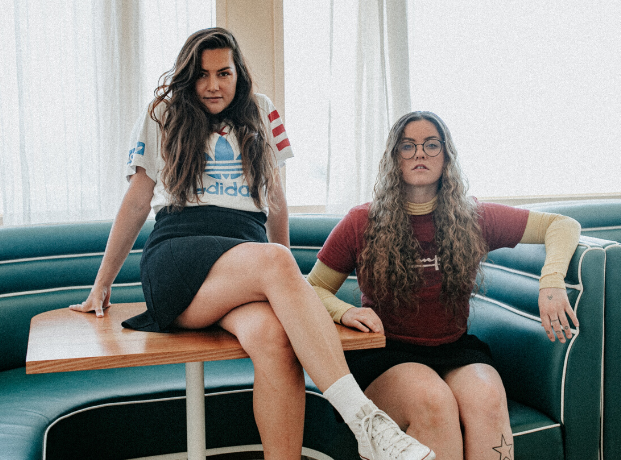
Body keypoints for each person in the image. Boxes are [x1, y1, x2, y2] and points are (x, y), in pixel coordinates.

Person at [69, 28, 434, 460]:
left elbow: (275, 200)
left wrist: (288, 288)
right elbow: (136, 201)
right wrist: (102, 284)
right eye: (202, 74)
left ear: (238, 73)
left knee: (275, 339)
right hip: (178, 258)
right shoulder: (162, 113)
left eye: (223, 73)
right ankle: (365, 421)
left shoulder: (262, 112)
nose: (213, 85)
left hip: (242, 263)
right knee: (276, 261)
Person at [307, 111, 581, 460]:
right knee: (433, 402)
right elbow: (312, 288)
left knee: (488, 401)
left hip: (455, 349)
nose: (420, 153)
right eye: (408, 146)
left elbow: (562, 225)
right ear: (394, 157)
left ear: (446, 155)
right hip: (386, 354)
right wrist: (345, 312)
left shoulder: (473, 216)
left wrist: (551, 282)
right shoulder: (361, 221)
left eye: (431, 145)